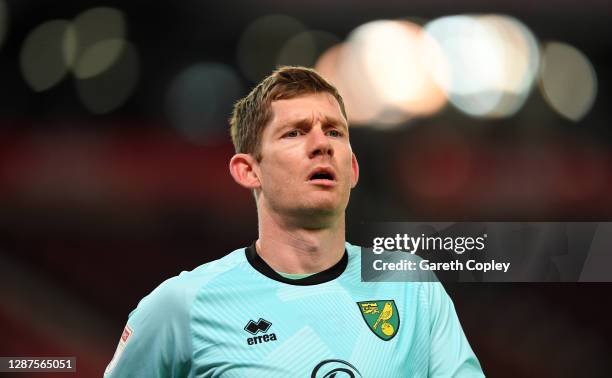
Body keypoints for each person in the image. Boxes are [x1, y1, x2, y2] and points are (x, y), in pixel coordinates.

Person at [104, 66, 485, 377]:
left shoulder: (410, 285)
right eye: (295, 132)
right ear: (249, 171)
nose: (322, 144)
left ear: (352, 169)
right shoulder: (184, 305)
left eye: (334, 131)